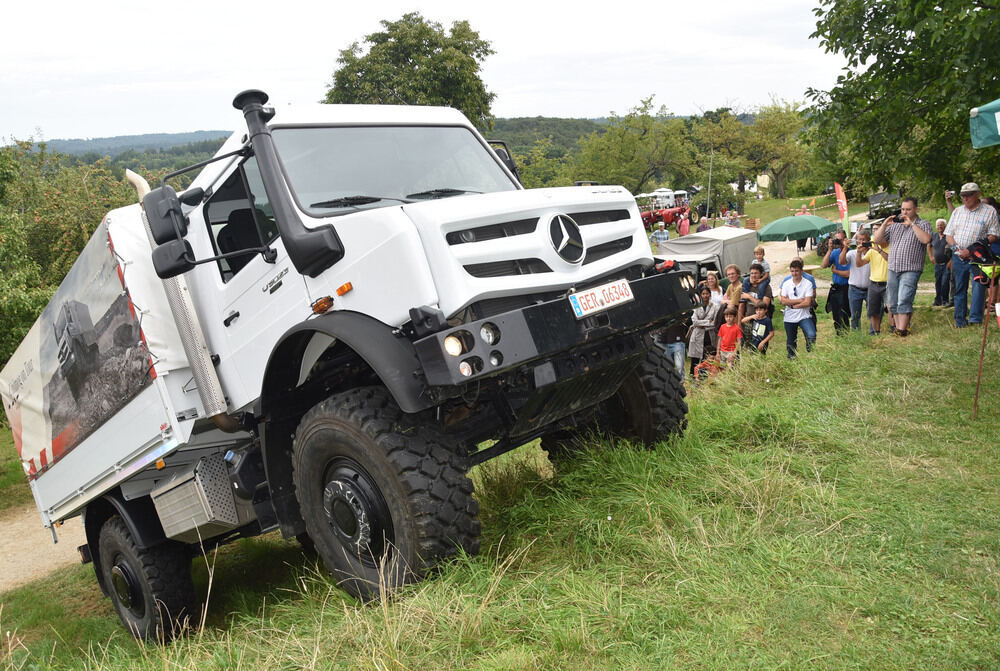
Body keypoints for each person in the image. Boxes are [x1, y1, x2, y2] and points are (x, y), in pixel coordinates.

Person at [872, 196, 931, 336]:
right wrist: (885, 224)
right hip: (893, 267)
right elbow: (877, 240)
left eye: (908, 209)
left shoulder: (923, 224)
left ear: (916, 209)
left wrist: (911, 224)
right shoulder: (895, 225)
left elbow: (926, 239)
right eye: (903, 209)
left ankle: (902, 329)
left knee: (904, 297)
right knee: (892, 300)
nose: (904, 212)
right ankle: (899, 329)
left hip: (911, 268)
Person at [944, 182, 1000, 327]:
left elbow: (994, 235)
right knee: (959, 288)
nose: (965, 198)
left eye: (968, 195)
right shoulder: (958, 211)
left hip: (978, 256)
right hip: (958, 255)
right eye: (963, 196)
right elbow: (949, 234)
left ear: (977, 194)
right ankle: (960, 320)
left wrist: (974, 248)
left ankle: (975, 320)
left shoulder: (989, 211)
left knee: (979, 287)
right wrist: (957, 249)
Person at [779, 259, 816, 358]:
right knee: (791, 341)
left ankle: (811, 353)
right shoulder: (787, 284)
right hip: (789, 317)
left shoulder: (808, 283)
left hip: (804, 315)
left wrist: (793, 305)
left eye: (796, 271)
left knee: (811, 334)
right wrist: (800, 300)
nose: (794, 273)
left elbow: (808, 302)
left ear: (801, 271)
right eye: (792, 271)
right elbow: (783, 301)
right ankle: (792, 359)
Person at [857, 223, 890, 334]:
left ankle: (893, 330)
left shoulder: (890, 247)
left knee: (891, 308)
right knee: (873, 310)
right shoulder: (871, 250)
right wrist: (858, 253)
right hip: (874, 283)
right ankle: (875, 332)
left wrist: (879, 250)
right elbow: (860, 263)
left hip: (888, 283)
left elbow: (891, 261)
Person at [821, 229, 851, 334]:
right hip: (836, 287)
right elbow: (824, 265)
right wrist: (829, 250)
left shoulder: (850, 253)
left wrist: (835, 271)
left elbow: (848, 274)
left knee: (844, 313)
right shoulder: (835, 252)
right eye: (837, 240)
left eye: (841, 240)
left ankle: (846, 333)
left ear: (846, 239)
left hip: (846, 287)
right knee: (836, 314)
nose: (839, 243)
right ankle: (839, 333)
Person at [842, 229, 872, 330]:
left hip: (870, 288)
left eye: (864, 240)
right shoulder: (852, 253)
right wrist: (845, 248)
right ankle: (856, 333)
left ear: (868, 240)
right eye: (859, 240)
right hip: (855, 288)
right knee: (855, 315)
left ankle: (873, 332)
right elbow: (842, 262)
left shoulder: (873, 253)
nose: (862, 242)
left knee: (872, 313)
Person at [688, 286, 719, 376]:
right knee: (695, 357)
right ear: (700, 295)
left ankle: (705, 376)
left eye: (707, 293)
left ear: (710, 294)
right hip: (697, 335)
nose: (705, 296)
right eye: (703, 294)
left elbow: (715, 323)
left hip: (710, 335)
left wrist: (701, 323)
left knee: (708, 356)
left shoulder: (715, 307)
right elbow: (694, 321)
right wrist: (707, 322)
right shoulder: (696, 306)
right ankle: (693, 376)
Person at [927, 218, 952, 307]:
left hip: (947, 264)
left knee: (945, 282)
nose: (940, 227)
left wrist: (951, 261)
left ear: (945, 226)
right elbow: (929, 246)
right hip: (937, 264)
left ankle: (945, 300)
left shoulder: (948, 236)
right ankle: (938, 300)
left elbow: (954, 248)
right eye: (938, 225)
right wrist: (931, 256)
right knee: (938, 282)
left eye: (941, 225)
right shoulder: (934, 236)